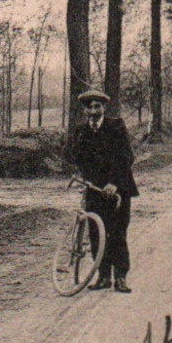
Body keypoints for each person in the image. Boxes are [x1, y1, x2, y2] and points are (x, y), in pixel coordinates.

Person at [62, 89, 139, 292]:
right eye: (89, 107)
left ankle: (120, 277)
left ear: (104, 107)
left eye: (97, 106)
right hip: (94, 189)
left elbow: (126, 157)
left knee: (117, 233)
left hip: (118, 189)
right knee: (96, 233)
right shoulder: (81, 131)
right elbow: (75, 157)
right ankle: (103, 275)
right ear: (85, 110)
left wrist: (114, 183)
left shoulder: (116, 126)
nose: (93, 110)